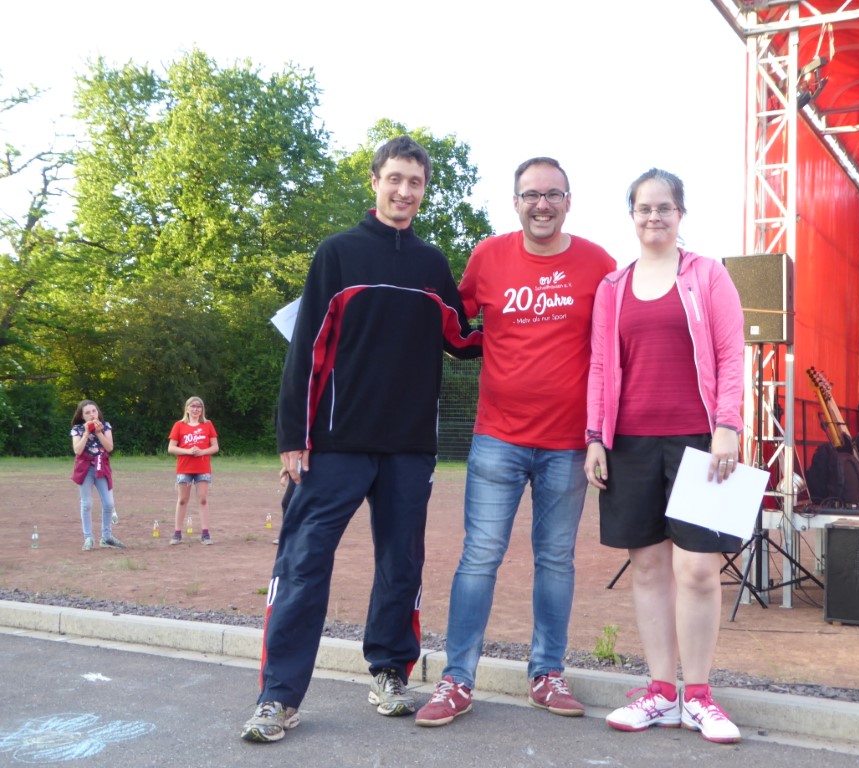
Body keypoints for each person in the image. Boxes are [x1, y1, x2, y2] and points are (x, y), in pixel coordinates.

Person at [240, 135, 482, 744]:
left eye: (415, 182)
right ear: (375, 181)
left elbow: (462, 338)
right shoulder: (338, 253)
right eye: (395, 178)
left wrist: (532, 319)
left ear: (424, 191)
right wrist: (293, 437)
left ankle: (390, 672)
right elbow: (307, 348)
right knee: (302, 565)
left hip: (409, 449)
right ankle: (278, 698)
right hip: (333, 444)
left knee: (402, 565)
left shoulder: (431, 265)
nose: (404, 191)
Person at [415, 157, 616, 727]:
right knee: (479, 557)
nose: (542, 204)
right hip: (497, 438)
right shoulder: (488, 256)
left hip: (568, 444)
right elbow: (450, 324)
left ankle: (547, 673)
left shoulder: (599, 264)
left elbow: (617, 346)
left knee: (555, 559)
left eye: (553, 194)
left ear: (568, 202)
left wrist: (605, 432)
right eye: (531, 195)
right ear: (516, 203)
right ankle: (457, 680)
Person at [582, 169, 745, 744]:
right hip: (629, 444)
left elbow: (731, 353)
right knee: (649, 569)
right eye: (644, 208)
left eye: (664, 207)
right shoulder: (612, 287)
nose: (654, 216)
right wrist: (595, 436)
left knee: (697, 569)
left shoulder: (708, 275)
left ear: (681, 214)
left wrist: (727, 426)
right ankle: (660, 692)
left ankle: (698, 696)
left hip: (700, 442)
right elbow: (600, 365)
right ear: (632, 215)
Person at [71, 399, 126, 551]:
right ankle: (88, 537)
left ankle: (106, 537)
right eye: (87, 413)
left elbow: (109, 447)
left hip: (101, 466)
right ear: (82, 416)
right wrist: (86, 433)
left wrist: (98, 432)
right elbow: (77, 450)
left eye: (94, 411)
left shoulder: (105, 426)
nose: (92, 415)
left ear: (98, 412)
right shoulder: (77, 429)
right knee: (87, 504)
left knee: (108, 503)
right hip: (85, 468)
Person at [167, 396, 219, 545]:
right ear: (187, 408)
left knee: (203, 499)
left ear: (202, 409)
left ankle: (205, 534)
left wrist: (202, 452)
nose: (196, 409)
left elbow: (215, 447)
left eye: (199, 406)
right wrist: (188, 451)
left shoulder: (207, 425)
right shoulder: (179, 425)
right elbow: (171, 448)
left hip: (202, 467)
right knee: (183, 499)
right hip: (184, 468)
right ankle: (177, 533)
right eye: (193, 406)